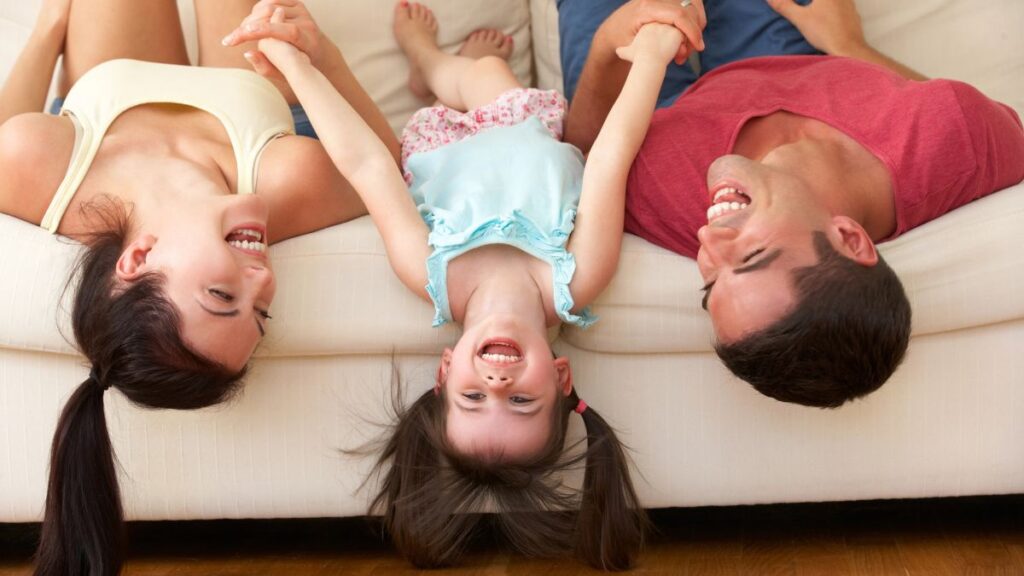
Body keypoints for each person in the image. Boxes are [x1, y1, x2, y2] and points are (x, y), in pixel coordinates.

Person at [238, 2, 687, 568]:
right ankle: (453, 65)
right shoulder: (576, 279)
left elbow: (368, 166)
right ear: (560, 375)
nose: (497, 380)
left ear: (447, 370)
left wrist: (298, 69)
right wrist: (650, 58)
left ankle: (428, 63)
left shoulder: (431, 276)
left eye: (473, 397)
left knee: (469, 84)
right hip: (522, 124)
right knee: (489, 81)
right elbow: (609, 160)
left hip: (435, 146)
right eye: (520, 401)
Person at [0, 0, 396, 573]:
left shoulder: (42, 170)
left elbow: (6, 131)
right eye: (260, 311)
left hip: (103, 95)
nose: (261, 278)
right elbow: (383, 164)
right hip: (246, 109)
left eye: (221, 296)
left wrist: (48, 32)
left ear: (138, 258)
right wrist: (323, 63)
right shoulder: (286, 182)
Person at [560, 0, 1024, 408]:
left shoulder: (667, 198)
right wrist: (848, 43)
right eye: (752, 255)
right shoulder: (952, 136)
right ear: (848, 238)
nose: (708, 242)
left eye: (710, 283)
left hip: (652, 99)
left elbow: (584, 154)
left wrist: (607, 44)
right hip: (795, 57)